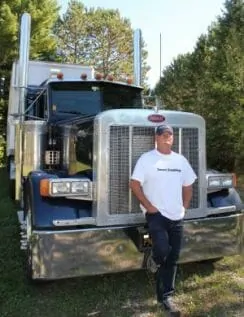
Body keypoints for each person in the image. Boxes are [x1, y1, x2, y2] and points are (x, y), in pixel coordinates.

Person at [130, 124, 197, 316]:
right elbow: (134, 184)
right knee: (161, 249)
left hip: (177, 216)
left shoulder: (180, 160)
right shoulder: (147, 159)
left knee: (173, 257)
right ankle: (155, 258)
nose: (167, 137)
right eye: (163, 134)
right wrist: (149, 206)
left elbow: (188, 185)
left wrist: (184, 207)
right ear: (156, 138)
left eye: (170, 134)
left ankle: (166, 296)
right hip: (156, 215)